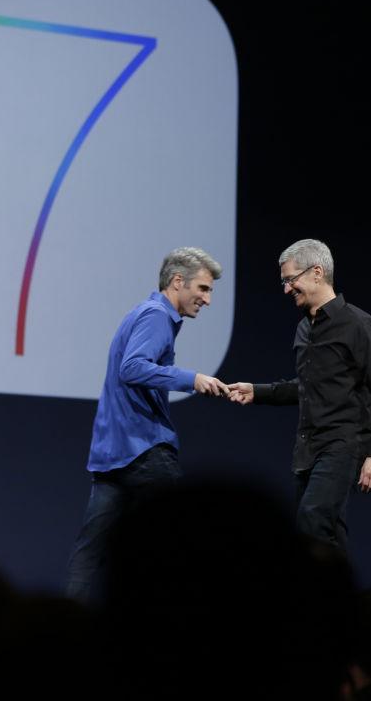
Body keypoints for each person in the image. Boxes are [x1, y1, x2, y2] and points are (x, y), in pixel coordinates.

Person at [66, 247, 229, 602]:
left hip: (114, 454)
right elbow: (132, 367)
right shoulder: (156, 315)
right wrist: (192, 378)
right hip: (144, 451)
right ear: (177, 282)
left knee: (91, 551)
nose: (208, 299)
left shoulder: (145, 313)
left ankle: (65, 632)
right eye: (203, 288)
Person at [229, 238, 371, 551]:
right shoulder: (304, 329)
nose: (285, 289)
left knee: (312, 522)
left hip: (343, 444)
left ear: (317, 273)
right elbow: (308, 386)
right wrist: (257, 392)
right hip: (308, 449)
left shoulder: (359, 326)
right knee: (323, 535)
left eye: (290, 280)